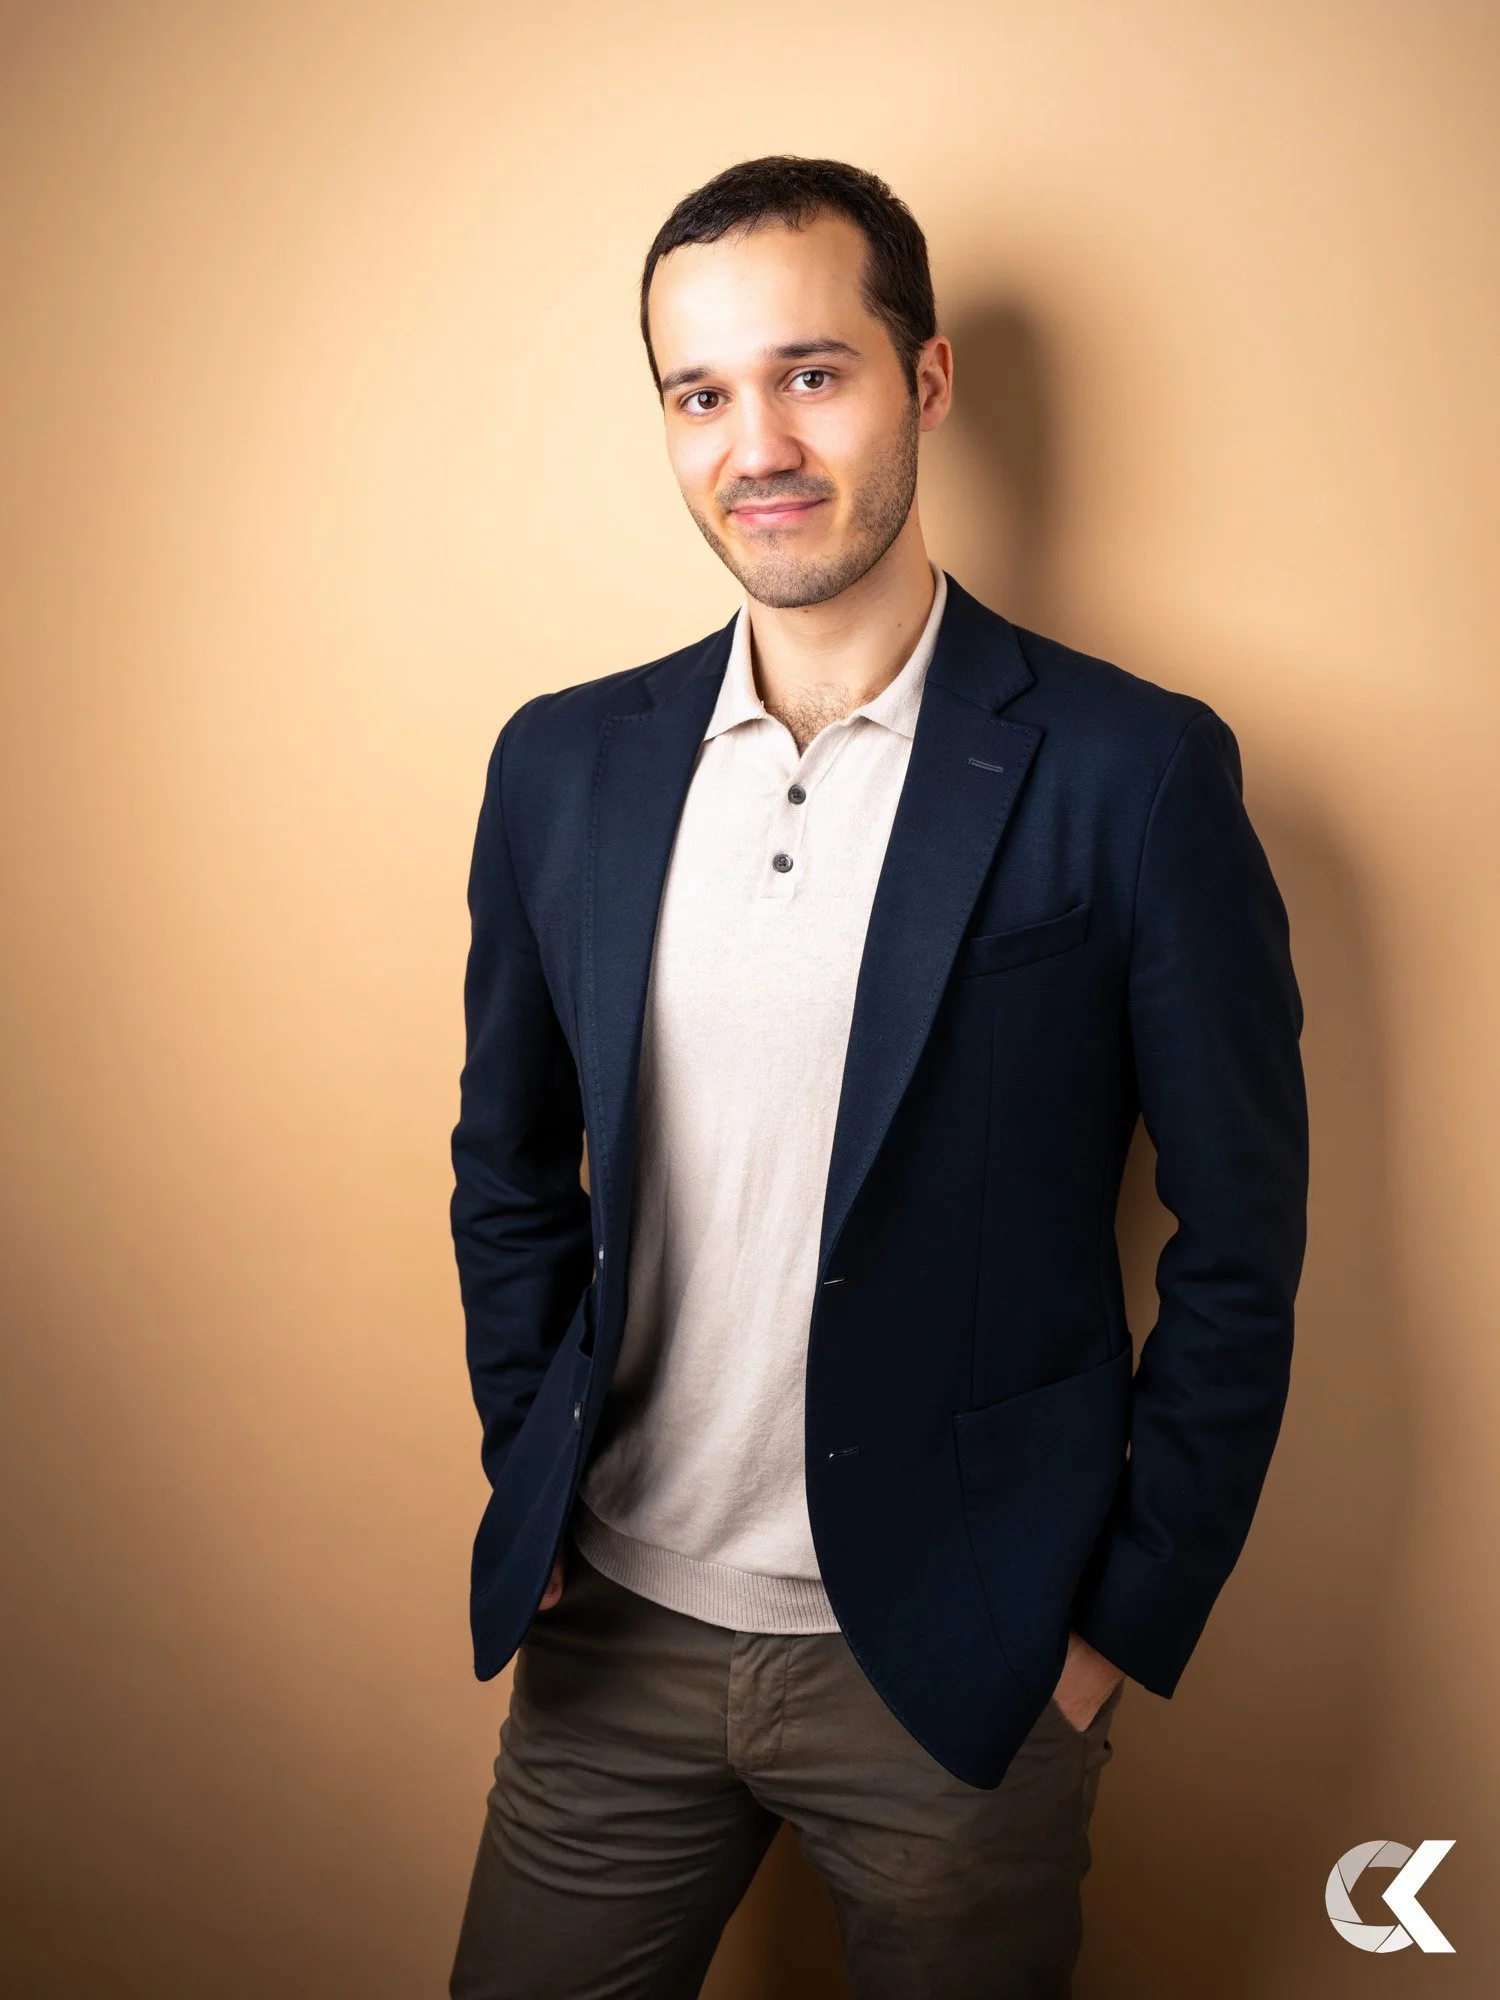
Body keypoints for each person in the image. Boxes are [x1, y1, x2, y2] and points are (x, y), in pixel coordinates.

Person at [447, 155, 1307, 2000]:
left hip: (964, 1667)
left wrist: (1110, 1636)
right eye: (702, 393)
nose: (757, 442)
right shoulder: (560, 768)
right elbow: (508, 1164)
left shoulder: (1134, 770)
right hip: (612, 1642)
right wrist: (530, 1472)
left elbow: (1242, 1236)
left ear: (922, 383)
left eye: (811, 374)